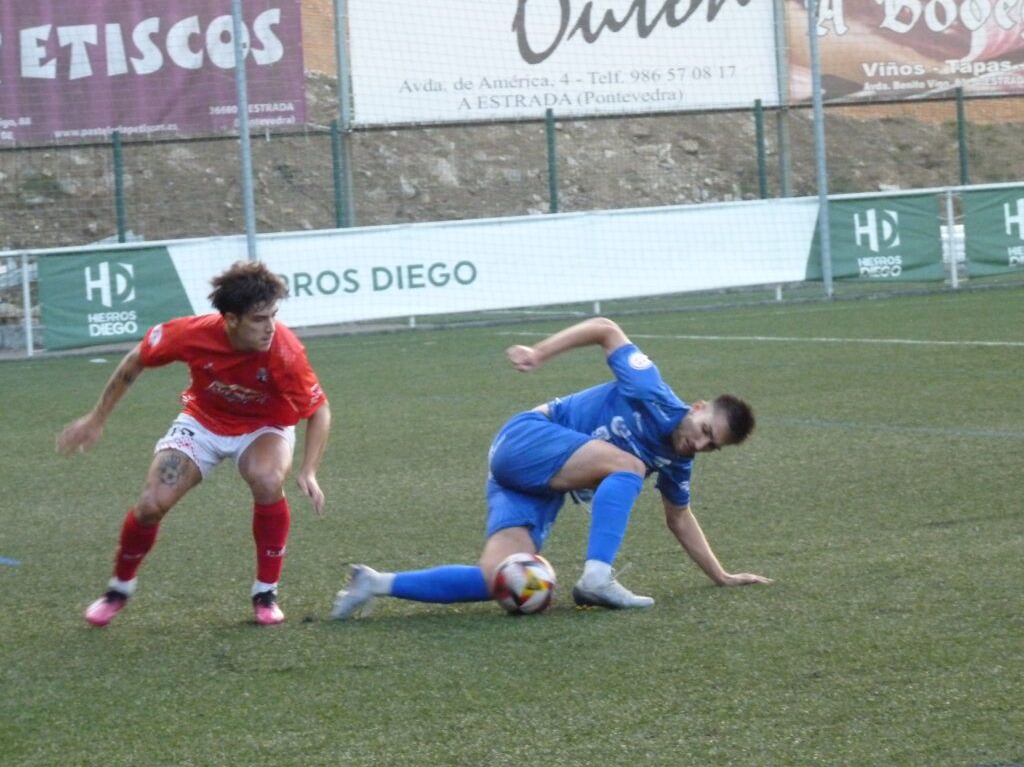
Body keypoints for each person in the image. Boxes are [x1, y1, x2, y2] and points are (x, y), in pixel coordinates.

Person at [331, 317, 769, 619]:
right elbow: (605, 328)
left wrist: (721, 575)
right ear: (696, 407)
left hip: (532, 485)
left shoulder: (680, 461)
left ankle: (373, 583)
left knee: (502, 579)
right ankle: (597, 576)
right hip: (524, 439)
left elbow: (680, 517)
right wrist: (539, 353)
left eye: (713, 445)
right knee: (629, 464)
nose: (701, 441)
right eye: (705, 428)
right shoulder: (651, 390)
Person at [57, 260, 331, 627]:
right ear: (231, 319)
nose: (271, 327)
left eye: (274, 316)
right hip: (202, 423)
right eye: (259, 319)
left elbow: (320, 410)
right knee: (152, 504)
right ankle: (118, 588)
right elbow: (137, 358)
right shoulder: (189, 334)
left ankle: (265, 591)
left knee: (266, 480)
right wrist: (96, 418)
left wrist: (308, 470)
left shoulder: (285, 352)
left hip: (264, 427)